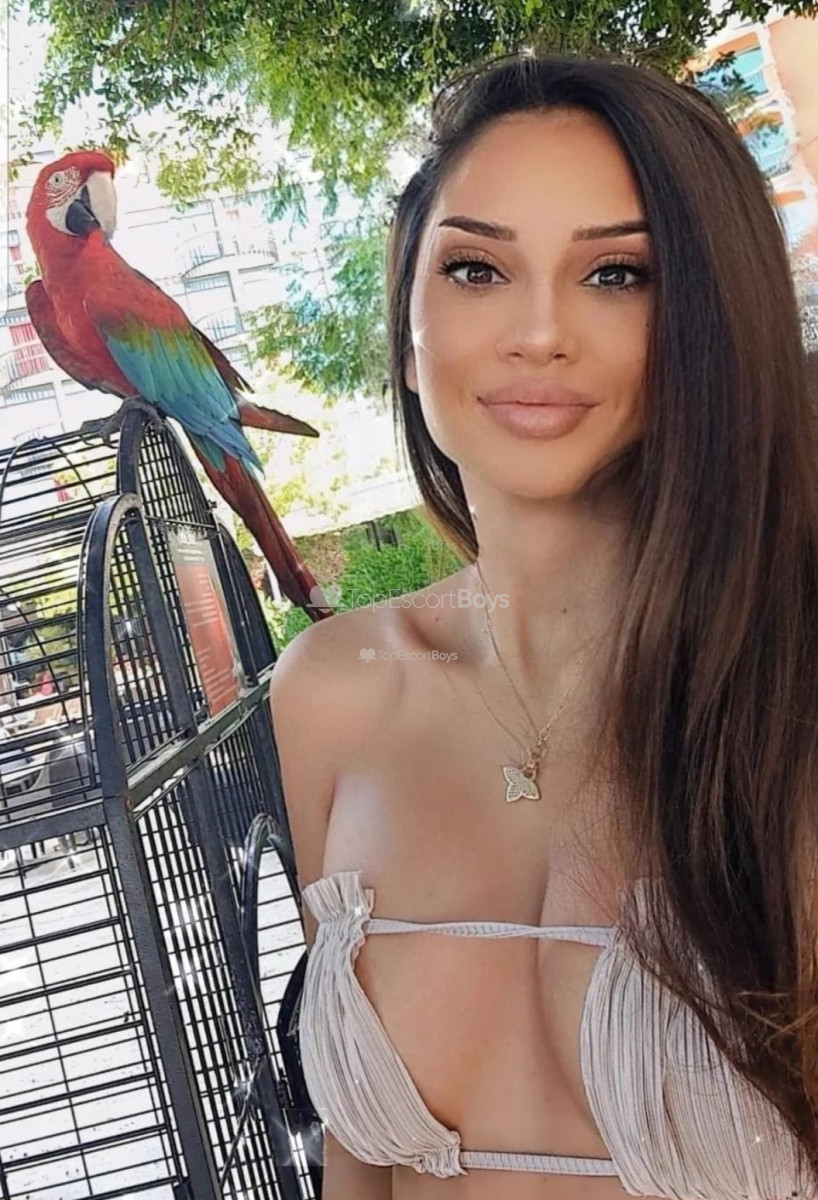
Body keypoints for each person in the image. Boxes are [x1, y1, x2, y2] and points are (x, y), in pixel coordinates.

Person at [270, 50, 818, 1200]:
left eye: (615, 274)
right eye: (475, 268)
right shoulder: (332, 692)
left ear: (708, 318)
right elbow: (360, 1170)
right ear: (407, 325)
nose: (537, 333)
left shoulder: (791, 687)